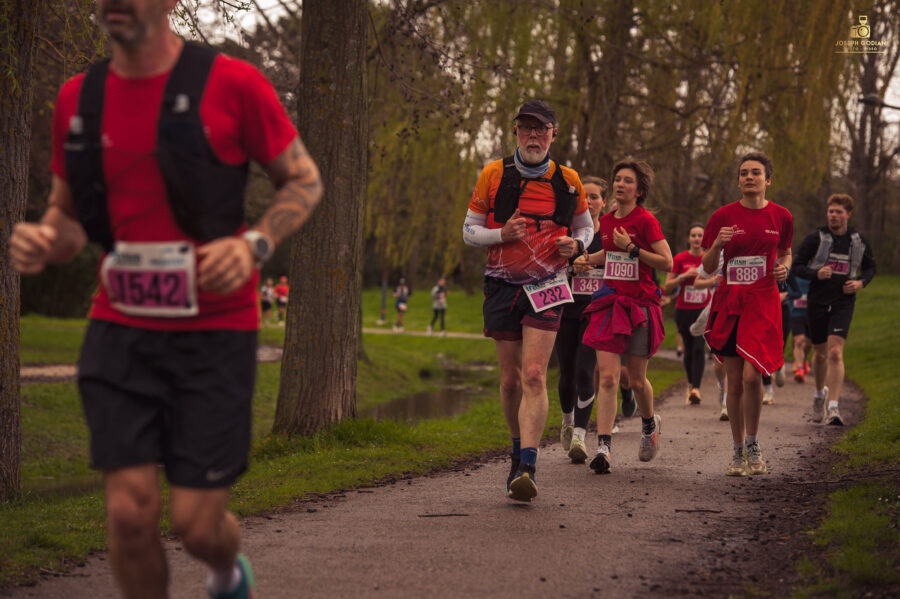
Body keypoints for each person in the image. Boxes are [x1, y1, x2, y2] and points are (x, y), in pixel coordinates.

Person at [8, 1, 323, 597]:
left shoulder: (232, 84)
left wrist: (255, 242)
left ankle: (227, 574)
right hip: (120, 329)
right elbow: (68, 216)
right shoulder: (79, 99)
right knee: (128, 515)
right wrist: (48, 240)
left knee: (197, 525)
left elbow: (303, 179)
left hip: (215, 336)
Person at [463, 99, 591, 501]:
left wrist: (578, 244)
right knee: (509, 380)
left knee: (534, 374)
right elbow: (469, 231)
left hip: (548, 284)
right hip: (501, 284)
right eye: (525, 128)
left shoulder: (568, 180)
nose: (533, 135)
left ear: (554, 133)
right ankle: (516, 449)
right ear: (515, 132)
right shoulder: (493, 174)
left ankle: (529, 466)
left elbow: (588, 227)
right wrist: (501, 235)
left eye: (541, 128)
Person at [576, 158, 673, 474]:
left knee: (635, 379)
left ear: (640, 189)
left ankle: (648, 424)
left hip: (641, 306)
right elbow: (609, 251)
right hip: (610, 304)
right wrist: (587, 259)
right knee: (607, 376)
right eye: (617, 179)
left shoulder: (646, 221)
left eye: (628, 181)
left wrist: (633, 248)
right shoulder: (605, 220)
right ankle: (603, 446)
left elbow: (667, 262)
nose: (620, 184)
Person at [701, 152, 792, 477]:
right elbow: (708, 266)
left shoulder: (781, 216)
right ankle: (738, 451)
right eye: (743, 173)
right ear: (738, 181)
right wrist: (717, 246)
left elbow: (786, 252)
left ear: (768, 179)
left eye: (756, 173)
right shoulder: (723, 216)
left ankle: (753, 443)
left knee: (754, 377)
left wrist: (784, 268)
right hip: (731, 301)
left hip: (763, 300)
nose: (749, 177)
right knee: (735, 381)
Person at [791, 194, 876, 425]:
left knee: (836, 352)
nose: (834, 216)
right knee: (819, 354)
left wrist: (860, 283)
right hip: (817, 302)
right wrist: (815, 273)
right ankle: (819, 395)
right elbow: (796, 266)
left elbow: (870, 267)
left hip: (843, 302)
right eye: (831, 211)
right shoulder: (815, 238)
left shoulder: (858, 241)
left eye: (838, 212)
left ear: (848, 214)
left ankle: (834, 408)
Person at [556, 176, 607, 463]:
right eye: (585, 196)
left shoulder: (610, 233)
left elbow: (622, 264)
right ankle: (566, 420)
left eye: (595, 196)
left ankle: (579, 434)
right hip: (567, 308)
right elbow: (550, 266)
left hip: (595, 310)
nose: (590, 201)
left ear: (603, 202)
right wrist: (571, 267)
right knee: (567, 375)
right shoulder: (567, 231)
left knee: (585, 372)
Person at [664, 224, 719, 405]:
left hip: (703, 310)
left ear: (705, 239)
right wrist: (684, 276)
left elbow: (718, 280)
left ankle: (696, 388)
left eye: (700, 235)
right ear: (688, 239)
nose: (697, 238)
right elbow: (668, 286)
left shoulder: (710, 259)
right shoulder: (680, 258)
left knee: (698, 347)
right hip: (684, 310)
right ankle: (690, 385)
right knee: (688, 348)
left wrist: (711, 281)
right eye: (693, 235)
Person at [785, 272, 812, 382]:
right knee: (799, 340)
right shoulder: (793, 275)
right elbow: (788, 292)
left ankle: (803, 360)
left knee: (808, 343)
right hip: (796, 314)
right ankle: (800, 369)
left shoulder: (815, 274)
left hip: (811, 314)